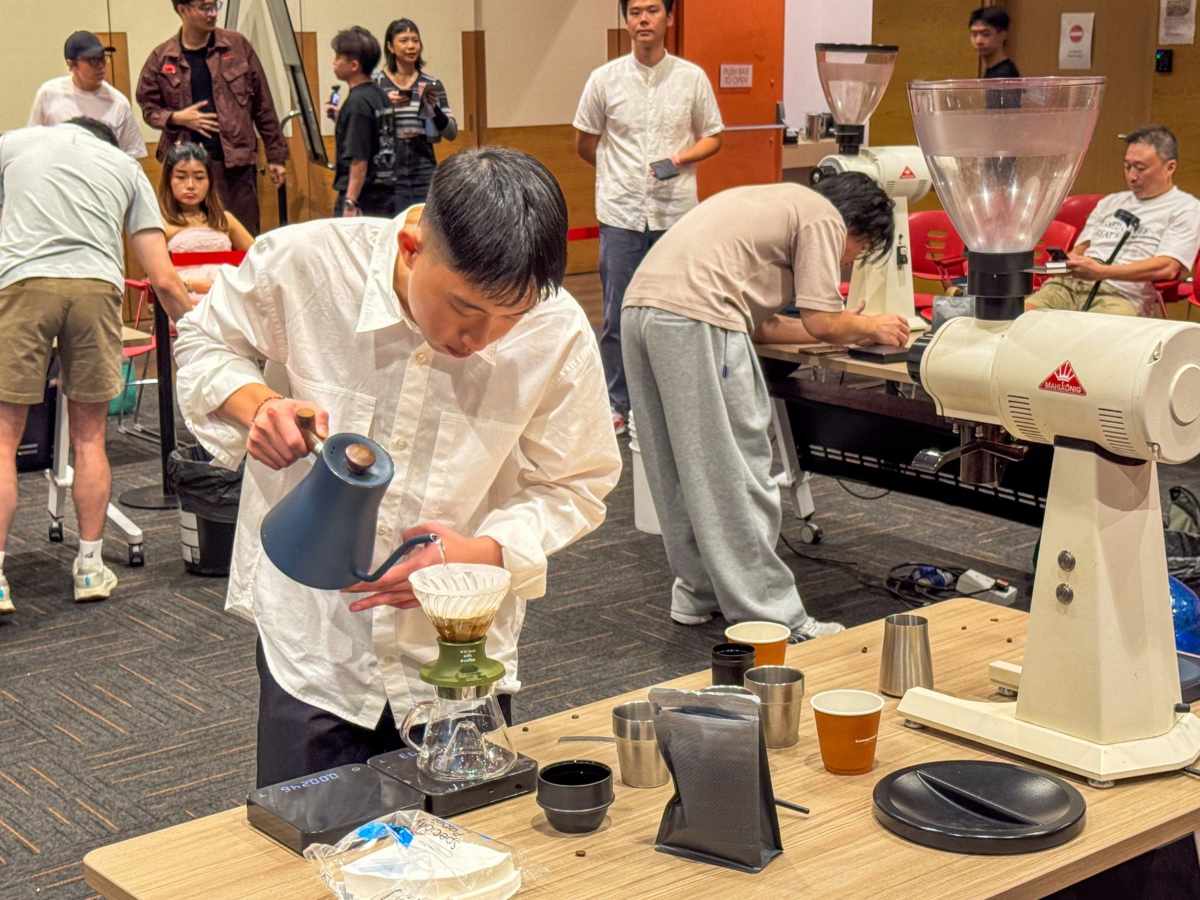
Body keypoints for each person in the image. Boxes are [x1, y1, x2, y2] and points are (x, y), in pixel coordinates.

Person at [173, 147, 621, 786]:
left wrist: (481, 553)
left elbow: (576, 482)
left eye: (509, 318)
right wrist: (257, 405)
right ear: (412, 247)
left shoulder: (556, 328)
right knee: (310, 836)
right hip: (316, 641)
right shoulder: (306, 263)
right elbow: (204, 340)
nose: (480, 339)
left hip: (456, 648)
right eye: (465, 309)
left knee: (463, 837)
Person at [621, 174, 908, 640]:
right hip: (697, 319)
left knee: (675, 465)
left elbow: (767, 326)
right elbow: (823, 322)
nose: (848, 263)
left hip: (641, 311)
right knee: (735, 471)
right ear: (858, 228)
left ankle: (698, 591)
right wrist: (869, 326)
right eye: (856, 254)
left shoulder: (764, 200)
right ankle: (773, 617)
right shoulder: (822, 217)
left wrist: (848, 326)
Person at [0, 119, 192, 616]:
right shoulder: (125, 166)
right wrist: (202, 332)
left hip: (23, 282)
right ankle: (88, 566)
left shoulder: (14, 143)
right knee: (89, 439)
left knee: (3, 440)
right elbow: (163, 278)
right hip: (96, 287)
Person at [574, 0, 724, 436]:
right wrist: (616, 174)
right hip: (621, 212)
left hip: (675, 213)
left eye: (653, 10)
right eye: (635, 11)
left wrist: (680, 159)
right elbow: (585, 142)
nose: (643, 19)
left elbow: (713, 136)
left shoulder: (691, 77)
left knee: (677, 311)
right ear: (626, 20)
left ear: (669, 18)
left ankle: (671, 400)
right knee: (618, 313)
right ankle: (618, 402)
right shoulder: (603, 79)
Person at [137, 0, 288, 235]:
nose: (213, 13)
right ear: (182, 9)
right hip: (186, 169)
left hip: (235, 167)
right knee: (191, 239)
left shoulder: (237, 46)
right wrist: (176, 117)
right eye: (205, 7)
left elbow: (263, 104)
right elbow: (149, 107)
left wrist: (276, 156)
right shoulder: (163, 57)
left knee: (242, 236)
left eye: (215, 6)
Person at [1027, 126, 1200, 316]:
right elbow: (1080, 249)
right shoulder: (1110, 202)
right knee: (1020, 320)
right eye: (1127, 166)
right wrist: (1069, 262)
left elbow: (1167, 267)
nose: (1132, 176)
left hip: (1122, 294)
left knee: (1099, 332)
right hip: (1068, 286)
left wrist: (1102, 272)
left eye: (1140, 168)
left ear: (1170, 167)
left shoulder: (1186, 208)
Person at [372, 18, 458, 212]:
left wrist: (434, 109)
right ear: (390, 47)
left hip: (423, 164)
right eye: (404, 40)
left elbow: (451, 133)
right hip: (388, 166)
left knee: (425, 219)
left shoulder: (431, 83)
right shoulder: (376, 83)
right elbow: (364, 128)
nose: (411, 46)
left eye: (415, 40)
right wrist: (384, 105)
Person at [158, 142, 254, 304]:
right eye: (181, 177)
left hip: (227, 297)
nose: (190, 185)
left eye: (199, 177)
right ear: (169, 181)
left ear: (210, 181)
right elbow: (157, 276)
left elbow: (258, 257)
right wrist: (192, 285)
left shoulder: (225, 220)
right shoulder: (161, 224)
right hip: (183, 301)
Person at [28, 31, 148, 160]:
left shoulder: (118, 102)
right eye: (93, 61)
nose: (101, 66)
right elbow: (33, 142)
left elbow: (134, 153)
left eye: (103, 58)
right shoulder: (49, 94)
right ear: (71, 64)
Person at [328, 27, 392, 219]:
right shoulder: (379, 95)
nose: (334, 62)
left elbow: (359, 160)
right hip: (384, 196)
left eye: (338, 57)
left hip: (363, 199)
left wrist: (350, 202)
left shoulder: (357, 103)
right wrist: (341, 118)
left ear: (354, 65)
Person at [970, 7, 1020, 78]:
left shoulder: (1005, 74)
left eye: (986, 34)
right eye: (974, 34)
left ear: (1002, 35)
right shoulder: (993, 69)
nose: (978, 41)